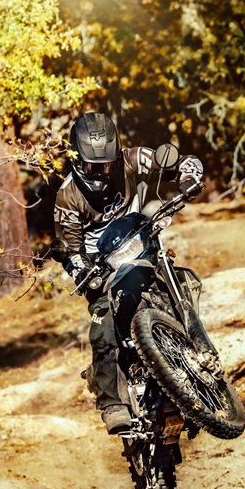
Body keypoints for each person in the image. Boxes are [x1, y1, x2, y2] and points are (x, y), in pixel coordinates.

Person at [52, 111, 203, 434]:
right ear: (76, 160)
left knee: (179, 280)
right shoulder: (67, 195)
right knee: (103, 321)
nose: (100, 173)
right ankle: (112, 403)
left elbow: (181, 163)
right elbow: (67, 247)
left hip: (142, 247)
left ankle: (195, 360)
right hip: (101, 270)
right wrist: (80, 268)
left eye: (106, 165)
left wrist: (189, 176)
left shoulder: (135, 160)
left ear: (117, 155)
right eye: (92, 166)